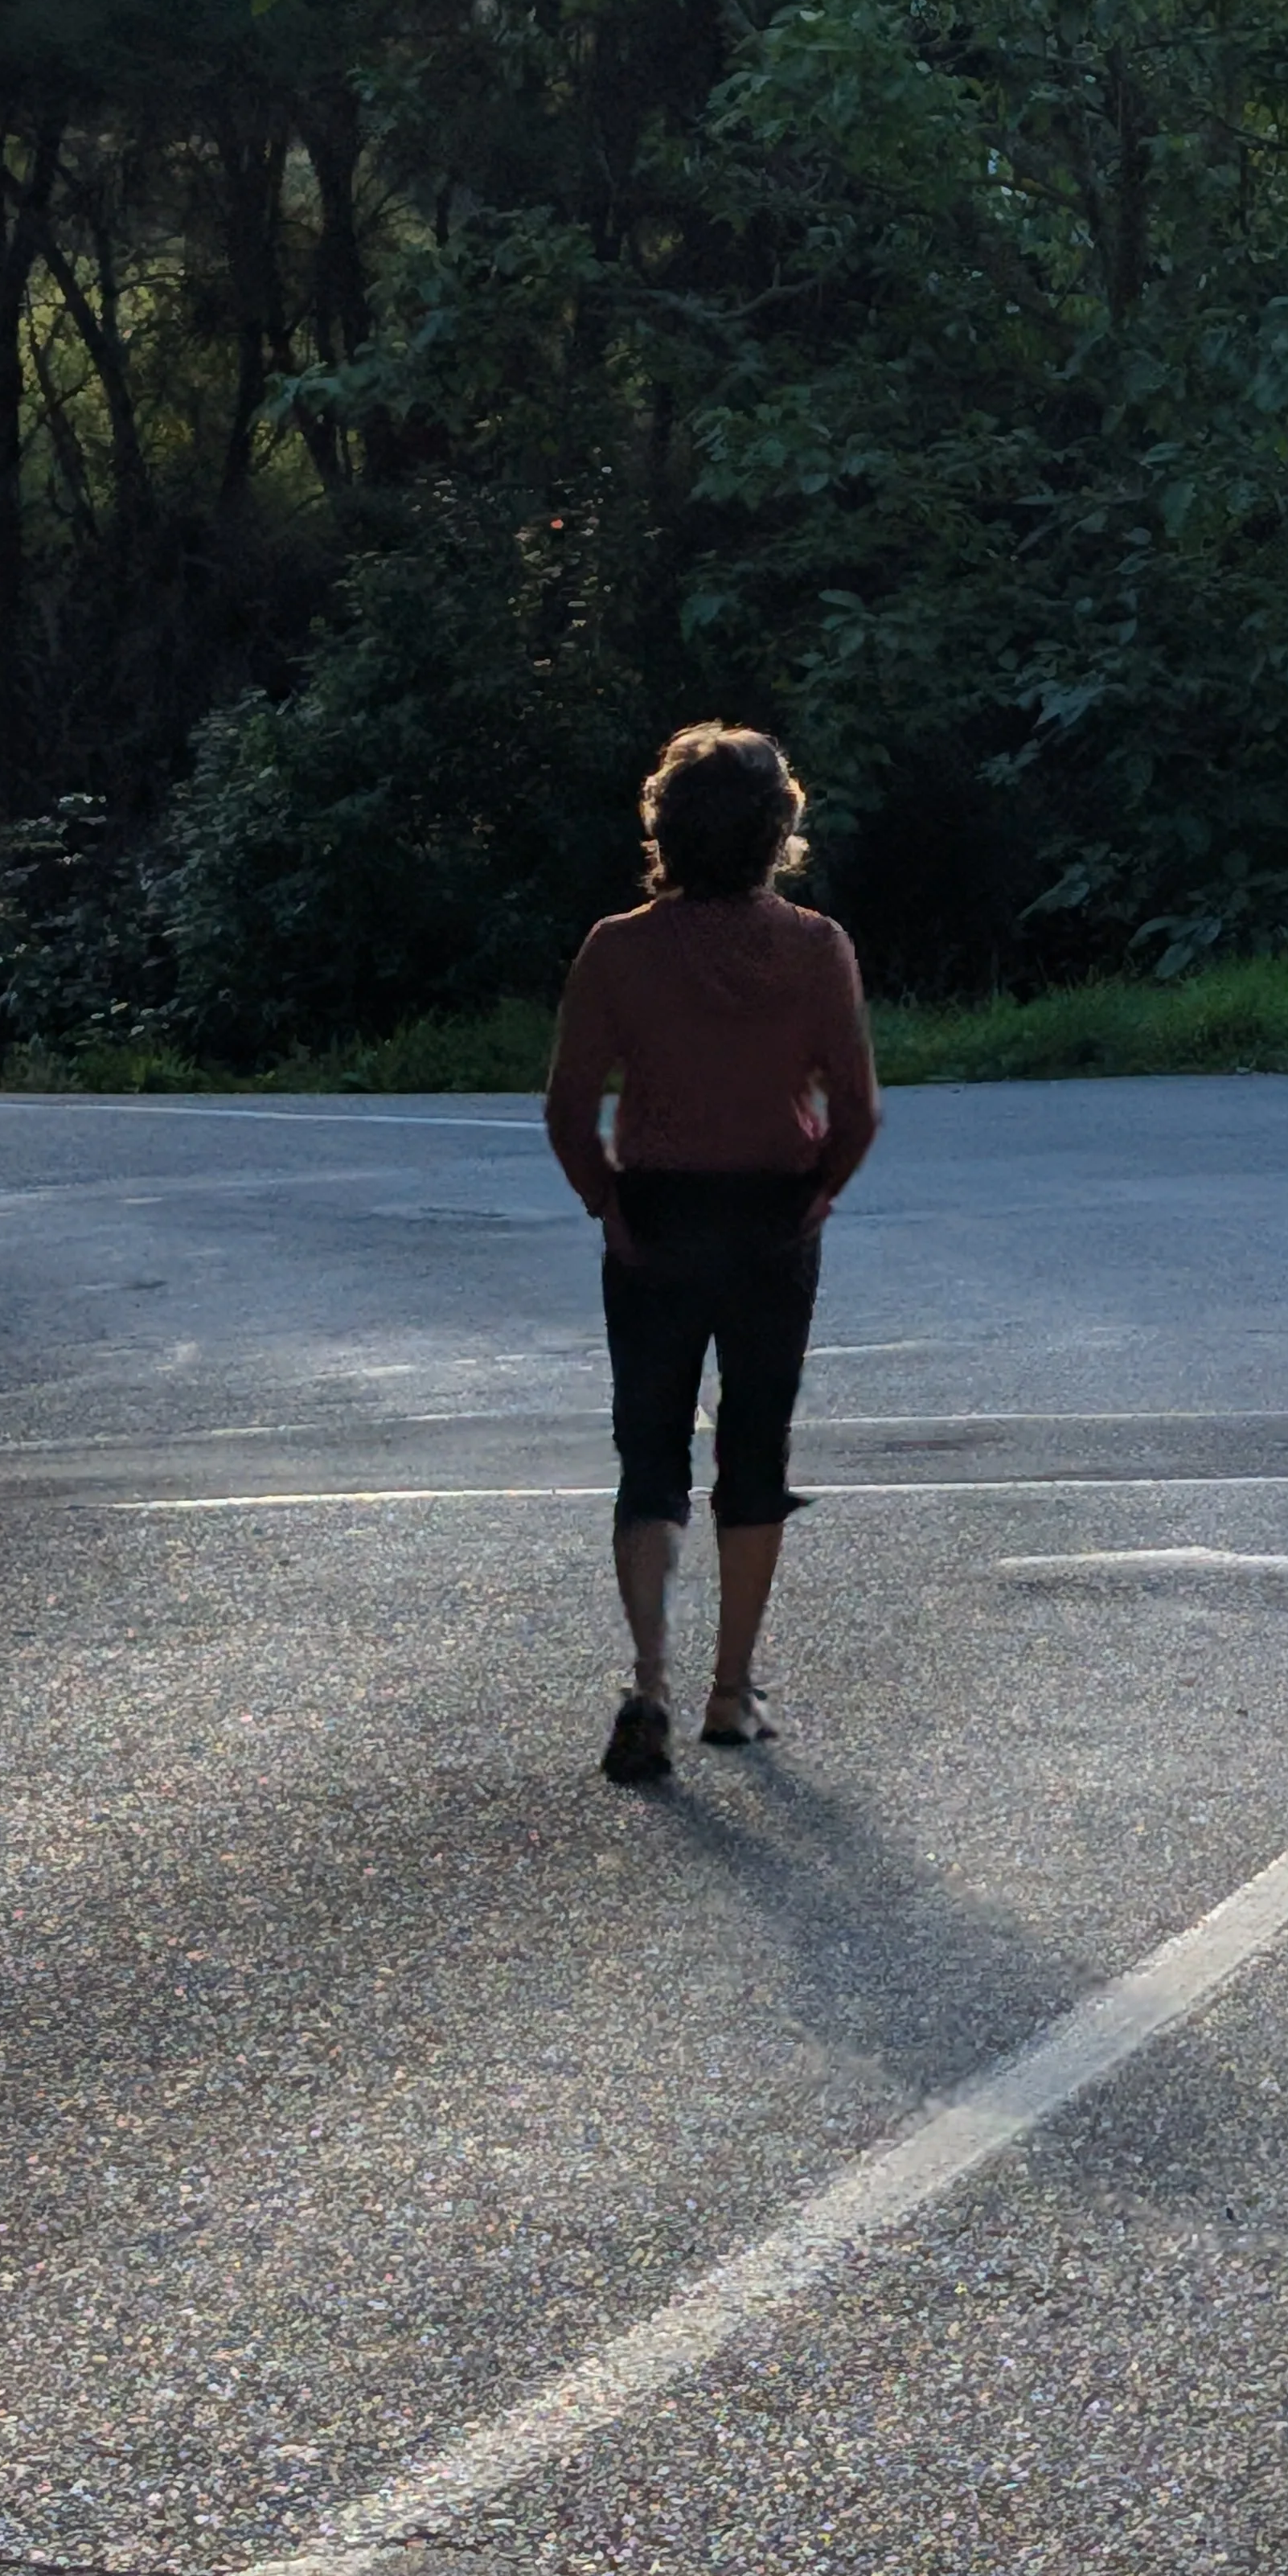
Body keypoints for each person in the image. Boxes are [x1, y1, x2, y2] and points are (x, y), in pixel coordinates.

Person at [543, 722, 880, 1787]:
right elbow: (859, 1110)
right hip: (773, 1217)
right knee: (756, 1453)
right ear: (778, 832)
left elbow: (566, 1110)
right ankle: (731, 1695)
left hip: (656, 1217)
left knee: (649, 1456)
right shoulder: (816, 947)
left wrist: (607, 1202)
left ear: (667, 831)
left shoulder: (617, 949)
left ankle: (648, 1681)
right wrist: (820, 1192)